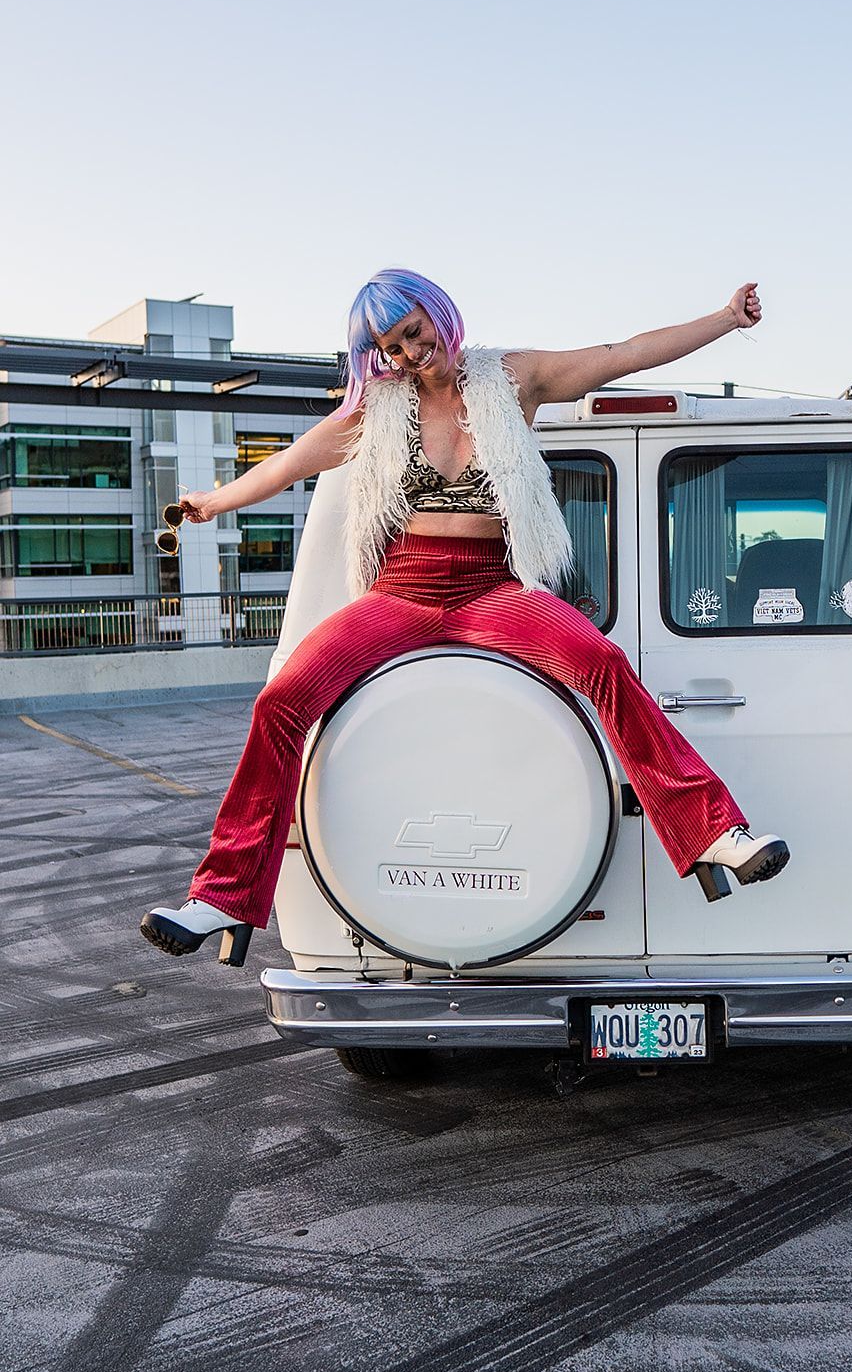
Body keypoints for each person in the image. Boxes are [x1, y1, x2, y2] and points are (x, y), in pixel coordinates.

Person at [140, 268, 789, 965]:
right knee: (282, 701)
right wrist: (213, 502)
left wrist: (724, 318)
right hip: (401, 592)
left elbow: (620, 353)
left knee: (600, 662)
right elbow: (291, 464)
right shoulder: (379, 409)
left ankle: (713, 834)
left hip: (492, 590)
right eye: (391, 347)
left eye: (413, 332)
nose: (410, 353)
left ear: (437, 314)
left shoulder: (514, 379)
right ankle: (222, 897)